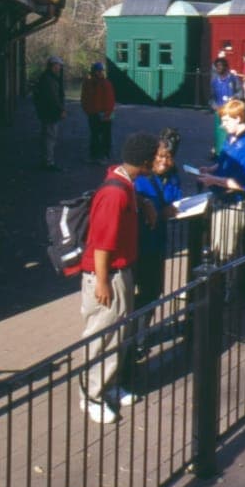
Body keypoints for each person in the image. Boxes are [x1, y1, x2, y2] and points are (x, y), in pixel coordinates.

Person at [79, 131, 160, 424]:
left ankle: (109, 385)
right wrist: (102, 281)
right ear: (145, 161)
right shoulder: (114, 194)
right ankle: (91, 396)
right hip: (108, 275)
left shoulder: (126, 184)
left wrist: (145, 203)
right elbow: (102, 243)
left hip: (119, 272)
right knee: (102, 336)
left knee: (117, 333)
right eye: (155, 156)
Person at [129, 128, 185, 361]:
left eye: (168, 158)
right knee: (140, 291)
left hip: (157, 242)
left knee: (153, 290)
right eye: (159, 158)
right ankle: (134, 340)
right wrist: (159, 210)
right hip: (140, 243)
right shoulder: (141, 179)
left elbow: (175, 196)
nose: (163, 162)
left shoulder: (171, 175)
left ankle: (140, 335)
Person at [198, 98, 245, 262]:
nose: (223, 125)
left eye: (226, 121)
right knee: (216, 243)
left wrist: (214, 179)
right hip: (222, 198)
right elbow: (223, 161)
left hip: (236, 202)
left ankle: (228, 285)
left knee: (228, 249)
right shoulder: (230, 137)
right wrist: (211, 169)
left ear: (238, 118)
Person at [32, 55, 66, 171]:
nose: (59, 68)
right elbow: (54, 98)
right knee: (50, 137)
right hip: (50, 113)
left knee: (47, 136)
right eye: (58, 65)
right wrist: (61, 109)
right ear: (53, 66)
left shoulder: (46, 78)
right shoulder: (49, 80)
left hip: (46, 112)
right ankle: (48, 162)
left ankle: (46, 160)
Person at [81, 61, 116, 164]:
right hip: (93, 113)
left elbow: (111, 101)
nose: (100, 73)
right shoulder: (88, 83)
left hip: (105, 113)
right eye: (98, 71)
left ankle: (105, 156)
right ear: (94, 72)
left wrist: (108, 113)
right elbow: (84, 98)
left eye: (101, 71)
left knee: (106, 136)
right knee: (94, 135)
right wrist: (87, 110)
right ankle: (94, 155)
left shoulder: (106, 84)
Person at [210, 56, 242, 154]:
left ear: (226, 67)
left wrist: (234, 98)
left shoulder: (233, 79)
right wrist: (215, 107)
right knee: (218, 132)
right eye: (217, 66)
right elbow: (211, 98)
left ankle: (232, 152)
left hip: (232, 111)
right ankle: (217, 151)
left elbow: (240, 92)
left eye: (221, 65)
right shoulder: (214, 81)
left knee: (231, 132)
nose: (219, 68)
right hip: (219, 111)